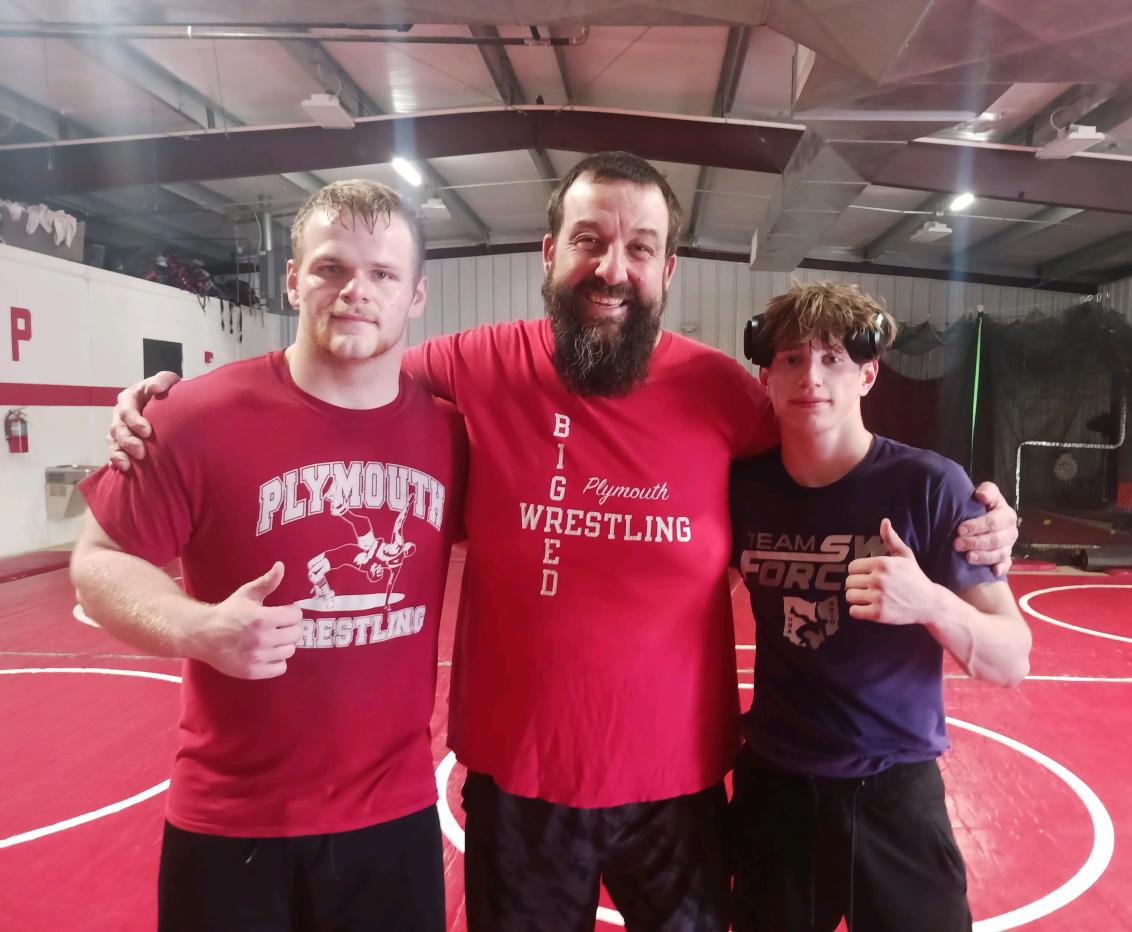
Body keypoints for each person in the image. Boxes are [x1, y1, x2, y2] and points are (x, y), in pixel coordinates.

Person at [106, 152, 1019, 931]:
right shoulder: (474, 363)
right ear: (550, 254)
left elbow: (830, 456)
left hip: (681, 790)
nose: (611, 267)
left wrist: (972, 521)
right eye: (589, 241)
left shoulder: (725, 396)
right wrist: (174, 402)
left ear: (668, 272)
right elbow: (346, 365)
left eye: (639, 248)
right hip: (522, 789)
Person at [71, 180, 465, 932]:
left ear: (416, 295)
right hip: (232, 824)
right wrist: (194, 629)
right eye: (329, 269)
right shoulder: (194, 417)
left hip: (392, 817)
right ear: (291, 280)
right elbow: (97, 561)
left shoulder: (455, 437)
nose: (355, 292)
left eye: (382, 274)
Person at [728, 281, 1032, 932]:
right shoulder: (741, 488)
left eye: (832, 357)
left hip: (893, 789)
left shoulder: (928, 485)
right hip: (776, 791)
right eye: (790, 358)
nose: (811, 375)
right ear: (766, 376)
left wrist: (930, 603)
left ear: (867, 374)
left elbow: (1011, 658)